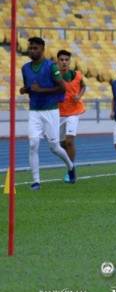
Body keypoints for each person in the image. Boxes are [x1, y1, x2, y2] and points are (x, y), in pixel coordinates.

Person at [20, 37, 75, 190]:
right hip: (34, 112)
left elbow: (62, 88)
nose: (32, 51)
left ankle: (70, 166)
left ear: (42, 50)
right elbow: (30, 87)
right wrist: (25, 90)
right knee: (33, 144)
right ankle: (36, 181)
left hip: (50, 111)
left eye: (35, 48)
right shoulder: (25, 68)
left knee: (54, 147)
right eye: (30, 48)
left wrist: (41, 90)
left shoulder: (51, 66)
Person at [56, 49, 86, 182]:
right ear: (57, 61)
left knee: (69, 141)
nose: (64, 62)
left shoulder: (77, 75)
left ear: (69, 62)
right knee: (61, 144)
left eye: (66, 60)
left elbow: (84, 86)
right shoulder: (53, 76)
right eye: (61, 60)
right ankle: (69, 163)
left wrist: (78, 96)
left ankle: (71, 170)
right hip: (59, 113)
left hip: (74, 112)